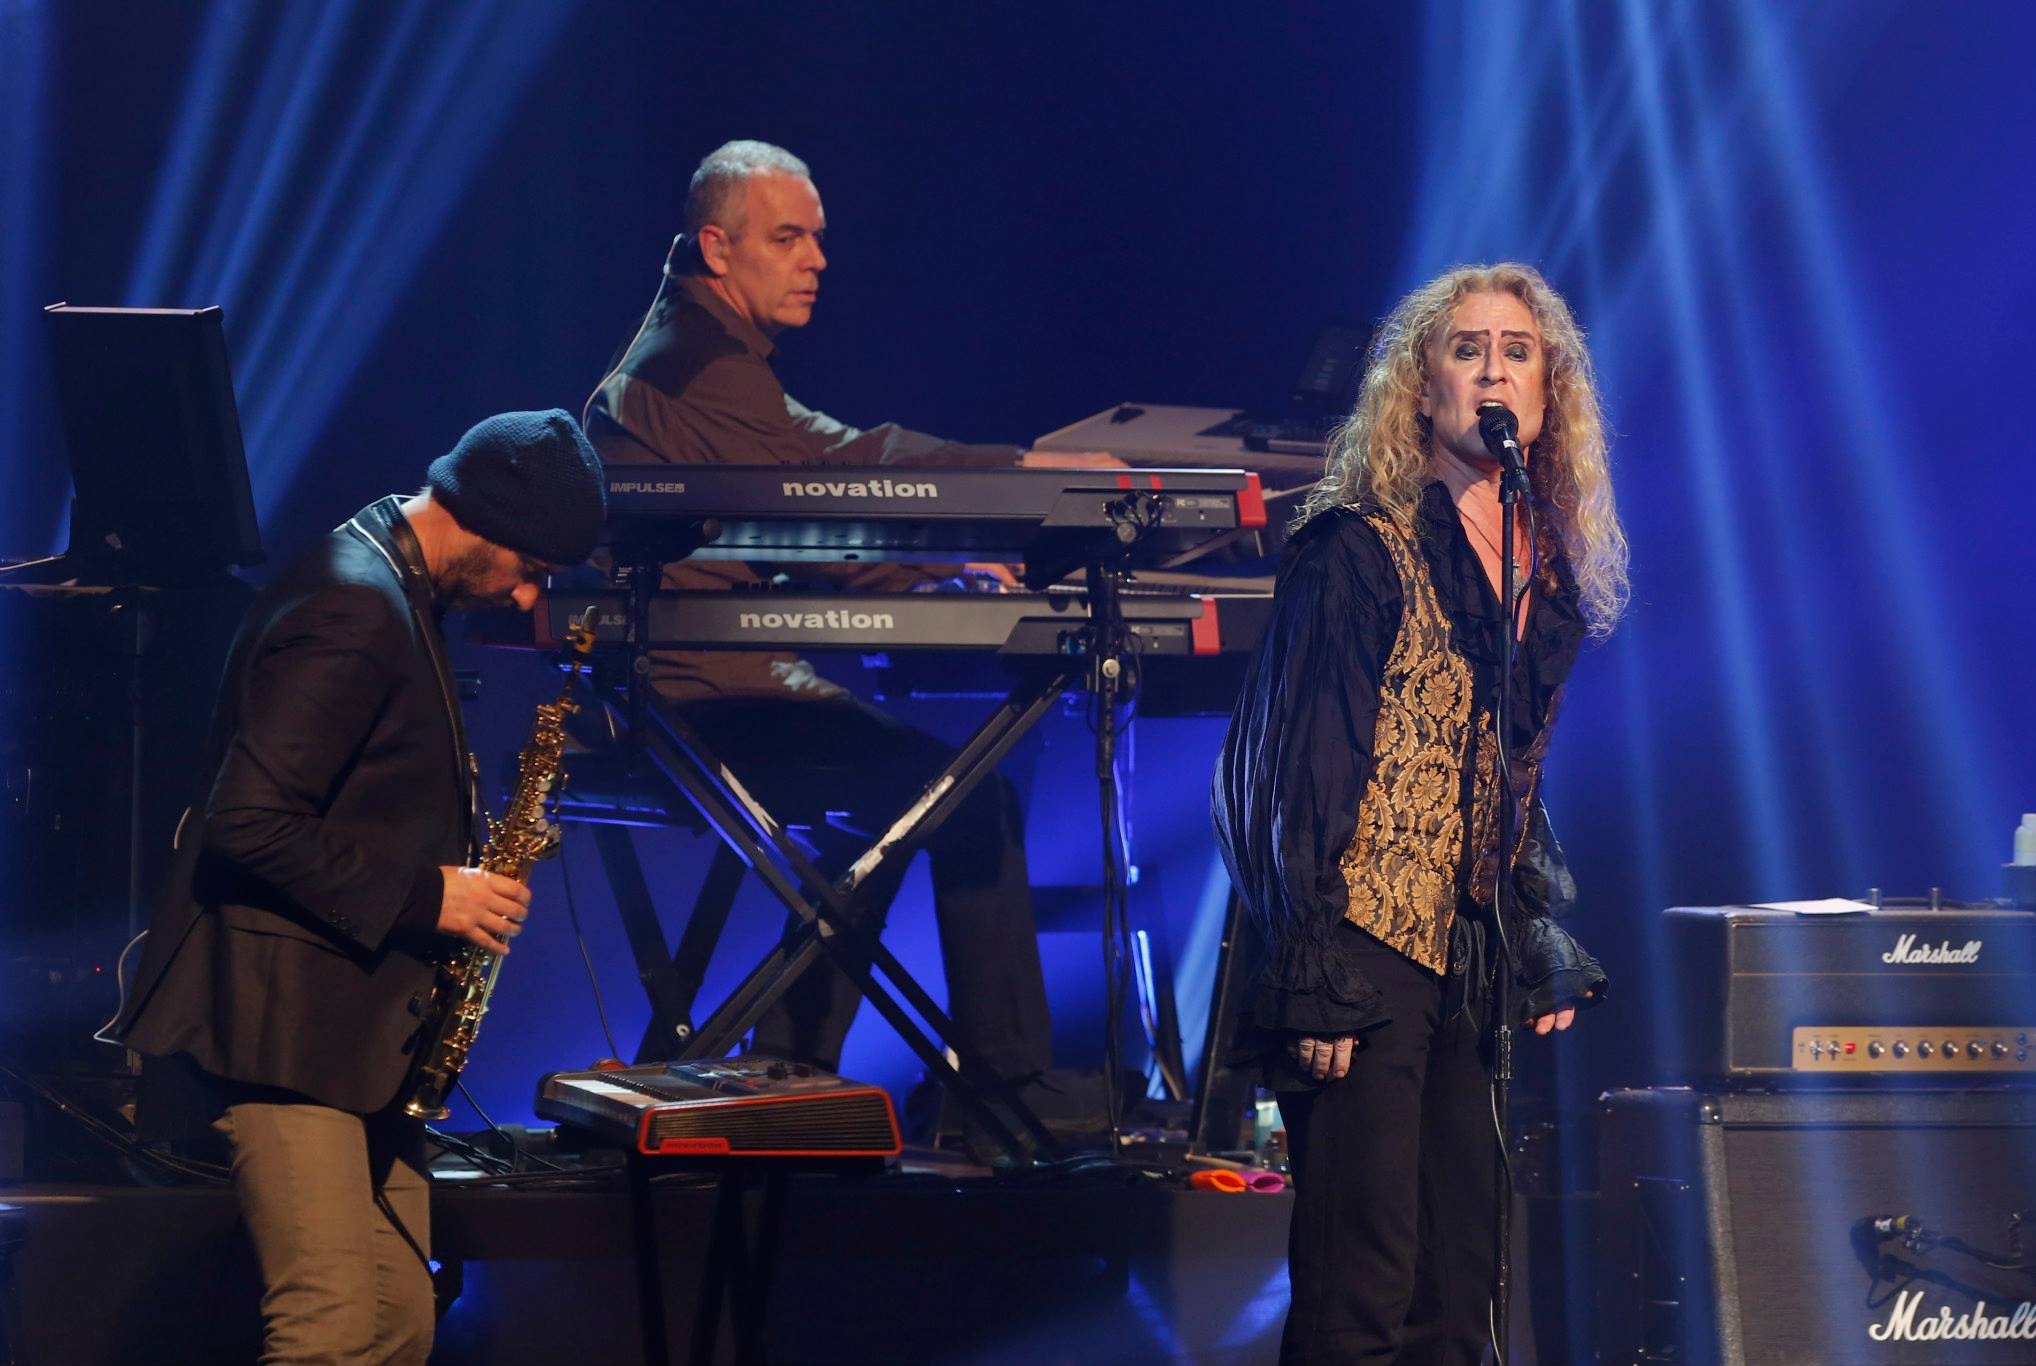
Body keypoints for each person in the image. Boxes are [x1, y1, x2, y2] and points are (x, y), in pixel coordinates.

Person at [583, 140, 1108, 1147]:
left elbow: (828, 462)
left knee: (891, 814)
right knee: (961, 796)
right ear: (716, 248)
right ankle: (1001, 1093)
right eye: (788, 239)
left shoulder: (704, 354)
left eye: (817, 238)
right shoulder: (697, 365)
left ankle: (788, 1076)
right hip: (696, 702)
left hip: (705, 688)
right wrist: (984, 521)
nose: (817, 260)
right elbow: (812, 504)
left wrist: (985, 509)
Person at [114, 410, 609, 1366]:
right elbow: (245, 820)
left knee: (397, 1322)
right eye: (530, 568)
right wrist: (432, 896)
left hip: (348, 1036)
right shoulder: (352, 605)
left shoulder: (388, 581)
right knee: (333, 1326)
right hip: (284, 1030)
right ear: (484, 518)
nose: (525, 598)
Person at [1212, 263, 1626, 1364]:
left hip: (1465, 956)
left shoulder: (1544, 566)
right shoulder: (1356, 547)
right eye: (1465, 348)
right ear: (1421, 384)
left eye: (1517, 351)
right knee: (1363, 1283)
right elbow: (1287, 771)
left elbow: (1502, 768)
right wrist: (1311, 967)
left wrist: (1527, 924)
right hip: (1357, 946)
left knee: (1460, 1284)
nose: (1492, 371)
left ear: (1548, 392)